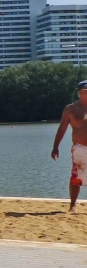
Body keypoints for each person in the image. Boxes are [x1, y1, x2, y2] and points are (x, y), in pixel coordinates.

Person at [52, 80, 87, 212]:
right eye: (85, 92)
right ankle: (72, 205)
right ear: (80, 93)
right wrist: (55, 147)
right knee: (76, 176)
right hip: (79, 147)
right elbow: (62, 128)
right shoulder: (71, 109)